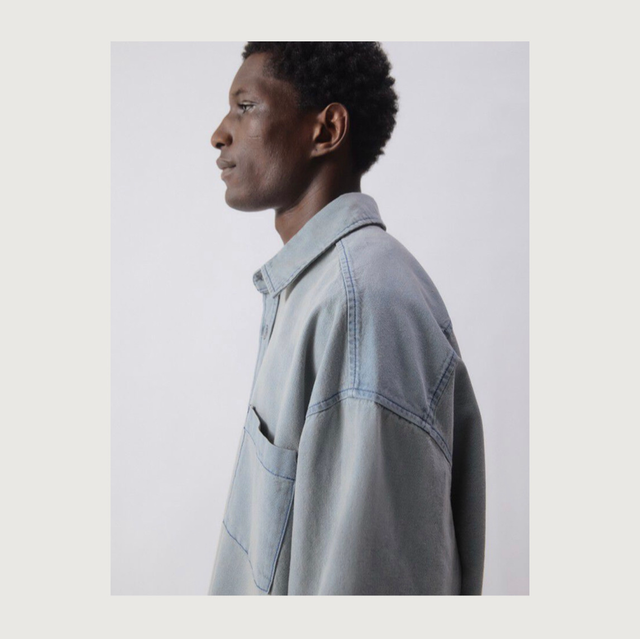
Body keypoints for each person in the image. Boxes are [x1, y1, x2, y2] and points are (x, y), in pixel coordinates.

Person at [207, 42, 486, 596]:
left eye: (245, 106)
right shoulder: (315, 290)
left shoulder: (363, 309)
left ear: (327, 130)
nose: (220, 133)